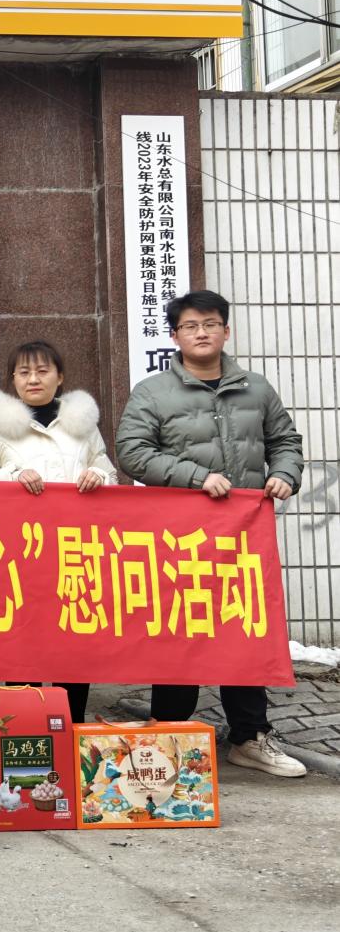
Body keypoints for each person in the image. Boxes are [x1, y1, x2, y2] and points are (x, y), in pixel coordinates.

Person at [116, 289, 307, 778]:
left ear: (226, 330)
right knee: (180, 629)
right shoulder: (153, 392)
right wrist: (196, 477)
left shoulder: (256, 389)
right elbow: (132, 452)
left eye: (210, 324)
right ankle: (169, 734)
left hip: (241, 537)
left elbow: (285, 441)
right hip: (178, 539)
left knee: (243, 630)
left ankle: (249, 737)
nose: (201, 333)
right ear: (175, 336)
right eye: (190, 325)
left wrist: (285, 473)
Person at [0, 339, 117, 720]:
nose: (33, 379)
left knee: (74, 645)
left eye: (43, 371)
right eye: (24, 372)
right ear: (12, 379)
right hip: (20, 556)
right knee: (23, 644)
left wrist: (98, 476)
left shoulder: (82, 425)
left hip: (74, 553)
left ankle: (72, 726)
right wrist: (12, 475)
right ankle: (27, 726)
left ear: (59, 377)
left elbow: (107, 471)